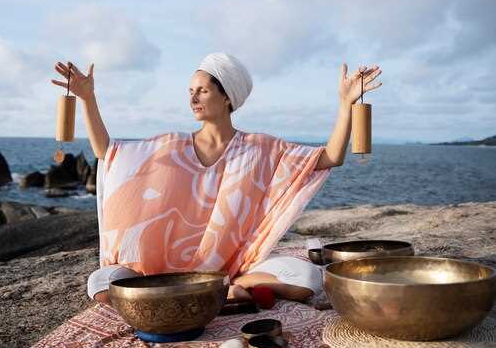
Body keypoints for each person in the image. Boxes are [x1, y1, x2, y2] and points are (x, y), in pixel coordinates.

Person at [51, 53, 382, 305]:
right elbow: (108, 152)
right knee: (100, 282)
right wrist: (87, 99)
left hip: (229, 272)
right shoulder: (170, 146)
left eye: (202, 90)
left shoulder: (260, 148)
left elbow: (329, 157)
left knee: (309, 277)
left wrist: (344, 105)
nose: (193, 98)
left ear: (226, 98)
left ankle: (233, 289)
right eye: (190, 91)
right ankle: (216, 297)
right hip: (160, 275)